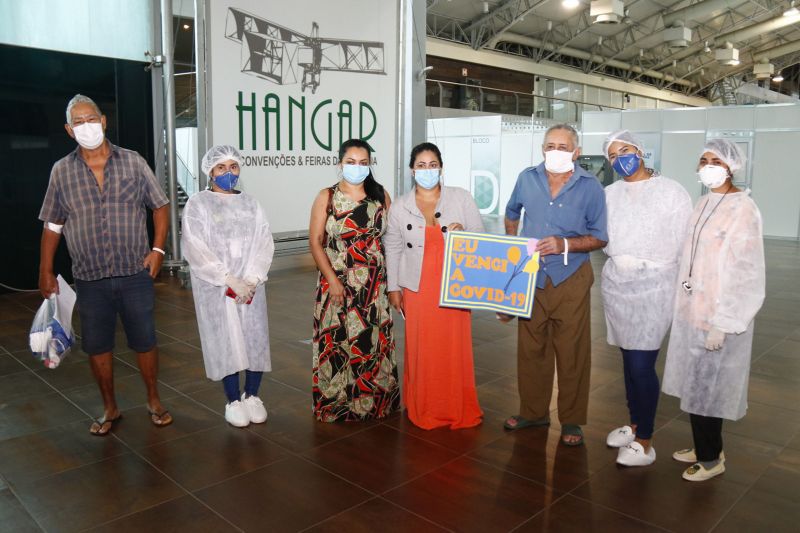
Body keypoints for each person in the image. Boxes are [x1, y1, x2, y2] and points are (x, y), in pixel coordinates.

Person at [38, 94, 172, 435]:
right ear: (69, 130)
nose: (86, 127)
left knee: (145, 340)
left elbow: (159, 206)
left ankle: (154, 399)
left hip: (135, 273)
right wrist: (45, 270)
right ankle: (110, 407)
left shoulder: (133, 162)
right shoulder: (61, 171)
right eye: (78, 122)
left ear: (104, 121)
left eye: (91, 119)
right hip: (89, 278)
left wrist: (157, 250)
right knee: (97, 346)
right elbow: (53, 224)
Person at [663, 139, 765, 482]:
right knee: (696, 386)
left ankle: (711, 460)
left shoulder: (743, 208)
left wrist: (725, 322)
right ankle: (705, 446)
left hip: (720, 317)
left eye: (716, 160)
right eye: (704, 160)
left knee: (709, 389)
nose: (708, 165)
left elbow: (747, 271)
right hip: (694, 310)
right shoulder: (704, 202)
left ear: (732, 166)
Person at [502, 123, 607, 446]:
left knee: (572, 351)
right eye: (551, 145)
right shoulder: (527, 178)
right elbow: (511, 212)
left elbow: (600, 236)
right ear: (542, 149)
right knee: (531, 348)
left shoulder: (591, 187)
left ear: (576, 152)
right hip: (532, 276)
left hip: (571, 277)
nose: (556, 152)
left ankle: (572, 420)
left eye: (563, 147)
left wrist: (564, 244)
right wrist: (514, 250)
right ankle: (534, 412)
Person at [600, 130, 693, 466]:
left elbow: (686, 242)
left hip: (656, 285)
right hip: (618, 285)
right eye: (612, 155)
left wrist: (689, 288)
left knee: (642, 364)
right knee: (628, 361)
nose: (620, 158)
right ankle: (634, 423)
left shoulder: (672, 191)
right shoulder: (609, 194)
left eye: (625, 150)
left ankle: (646, 440)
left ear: (640, 151)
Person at [384, 142, 484, 430]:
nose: (427, 170)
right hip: (417, 286)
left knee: (454, 346)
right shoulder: (401, 206)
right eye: (421, 165)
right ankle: (424, 405)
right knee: (422, 347)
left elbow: (480, 235)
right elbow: (392, 246)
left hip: (454, 285)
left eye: (432, 165)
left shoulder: (461, 198)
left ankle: (456, 405)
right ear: (412, 170)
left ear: (441, 167)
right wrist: (394, 287)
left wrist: (464, 233)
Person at [181, 145, 274, 428]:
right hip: (217, 288)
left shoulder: (251, 204)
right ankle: (233, 399)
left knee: (254, 339)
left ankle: (253, 395)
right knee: (225, 342)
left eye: (234, 167)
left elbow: (263, 241)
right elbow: (195, 246)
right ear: (210, 171)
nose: (228, 173)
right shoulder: (198, 204)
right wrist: (227, 278)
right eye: (221, 167)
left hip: (250, 287)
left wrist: (253, 278)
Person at [308, 139, 400, 421]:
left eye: (363, 162)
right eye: (351, 162)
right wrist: (332, 280)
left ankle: (374, 404)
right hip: (336, 284)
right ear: (340, 163)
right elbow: (315, 241)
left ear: (370, 164)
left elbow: (393, 239)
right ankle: (335, 405)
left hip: (374, 287)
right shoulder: (327, 196)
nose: (357, 168)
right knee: (336, 343)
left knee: (372, 343)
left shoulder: (380, 195)